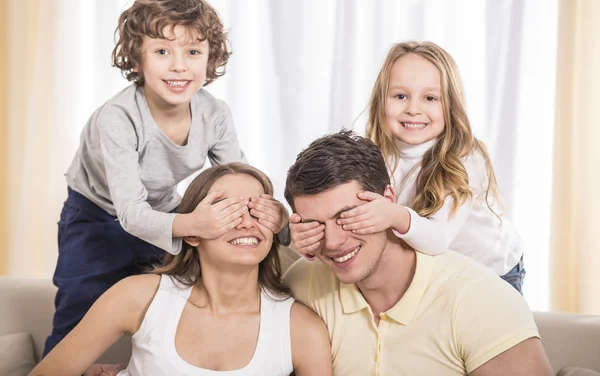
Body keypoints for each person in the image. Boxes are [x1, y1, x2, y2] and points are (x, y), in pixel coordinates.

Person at [45, 0, 289, 356]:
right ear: (138, 60)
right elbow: (130, 213)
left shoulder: (214, 114)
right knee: (78, 308)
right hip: (95, 216)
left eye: (193, 52)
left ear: (210, 60)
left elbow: (238, 176)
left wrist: (274, 214)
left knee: (186, 291)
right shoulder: (119, 118)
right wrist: (194, 224)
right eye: (162, 52)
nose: (179, 66)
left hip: (160, 209)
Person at [283, 131, 552, 375]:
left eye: (348, 217)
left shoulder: (481, 301)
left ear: (388, 200)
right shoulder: (301, 286)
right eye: (313, 224)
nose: (332, 241)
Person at [31, 163, 332, 376]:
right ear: (191, 232)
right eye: (226, 211)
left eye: (257, 210)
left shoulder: (302, 329)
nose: (246, 222)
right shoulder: (137, 297)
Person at [290, 41, 526, 292]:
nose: (413, 109)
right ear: (382, 100)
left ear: (450, 104)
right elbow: (354, 226)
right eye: (400, 96)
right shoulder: (374, 153)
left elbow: (437, 240)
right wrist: (313, 242)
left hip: (492, 272)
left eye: (430, 98)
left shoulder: (464, 158)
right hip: (435, 273)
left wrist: (394, 215)